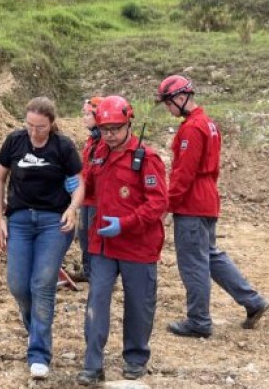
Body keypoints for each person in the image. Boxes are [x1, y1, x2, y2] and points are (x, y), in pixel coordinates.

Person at [157, 75, 269, 339]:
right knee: (210, 256)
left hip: (193, 202)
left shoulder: (191, 129)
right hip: (207, 198)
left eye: (168, 102)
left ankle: (199, 321)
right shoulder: (208, 124)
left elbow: (184, 174)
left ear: (182, 98)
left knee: (193, 263)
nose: (168, 109)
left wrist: (167, 205)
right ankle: (252, 301)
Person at [67, 95, 167, 385]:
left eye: (115, 128)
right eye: (105, 128)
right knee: (97, 300)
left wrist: (125, 223)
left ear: (128, 124)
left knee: (139, 303)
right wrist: (74, 189)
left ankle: (135, 357)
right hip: (104, 245)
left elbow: (157, 203)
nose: (109, 134)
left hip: (138, 245)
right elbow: (88, 182)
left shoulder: (146, 158)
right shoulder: (99, 153)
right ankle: (92, 362)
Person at [0, 96, 82, 380]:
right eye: (29, 125)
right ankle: (36, 331)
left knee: (42, 284)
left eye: (40, 127)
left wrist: (72, 209)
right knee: (19, 285)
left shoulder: (63, 146)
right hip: (19, 221)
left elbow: (79, 185)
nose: (34, 132)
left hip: (52, 223)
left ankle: (39, 353)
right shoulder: (14, 141)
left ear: (51, 124)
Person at [71, 96, 103, 283]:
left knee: (94, 236)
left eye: (87, 114)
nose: (83, 118)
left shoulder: (103, 143)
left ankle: (98, 274)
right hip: (87, 196)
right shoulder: (92, 140)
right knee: (84, 235)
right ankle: (88, 269)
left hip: (96, 198)